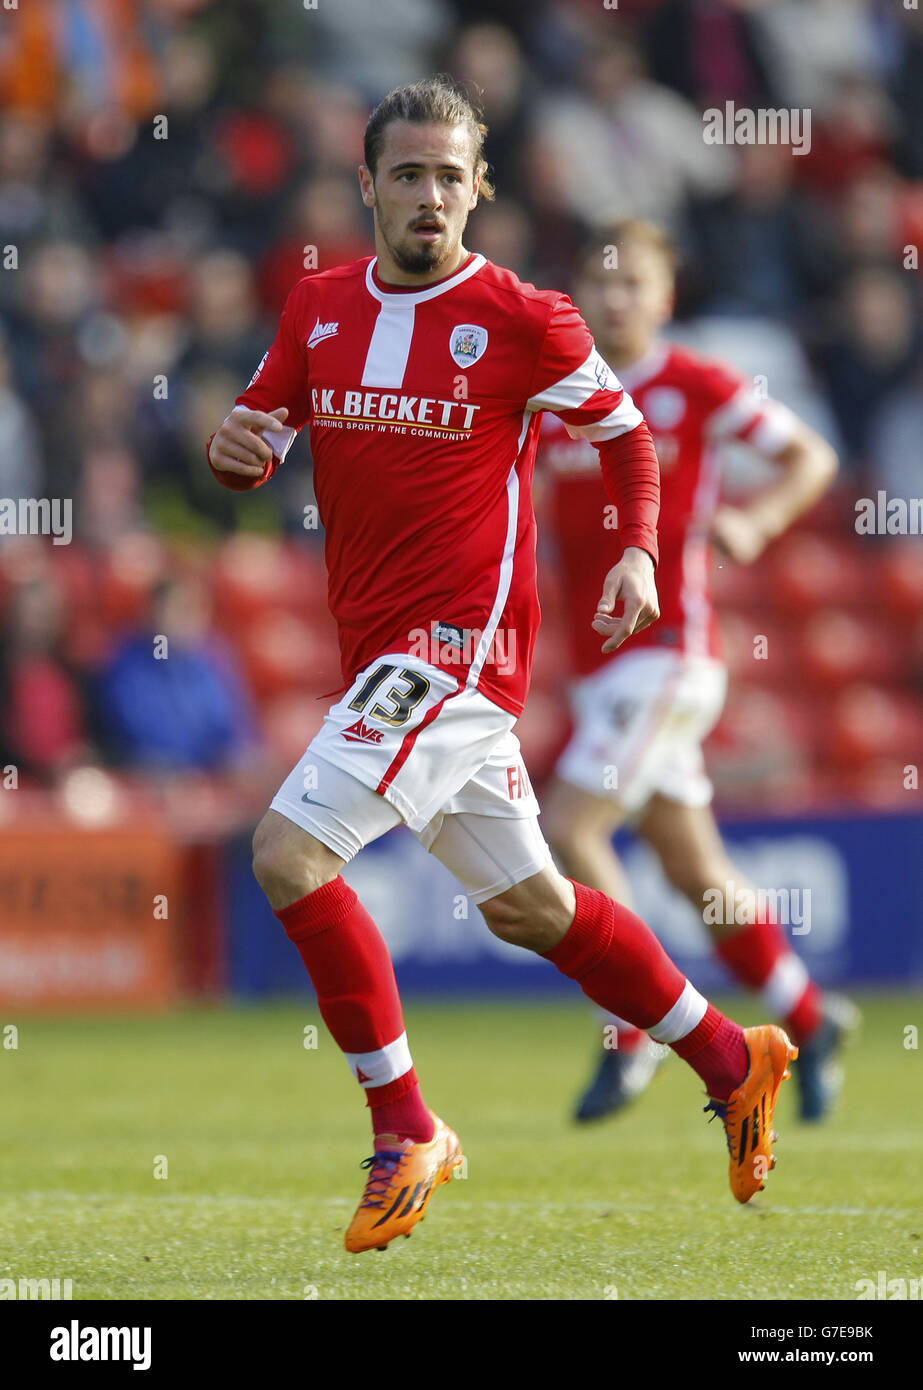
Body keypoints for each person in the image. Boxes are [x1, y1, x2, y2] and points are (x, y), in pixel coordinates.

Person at [206, 79, 797, 1255]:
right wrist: (234, 450)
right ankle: (734, 1056)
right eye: (409, 174)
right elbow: (258, 437)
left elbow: (626, 438)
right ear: (366, 186)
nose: (432, 196)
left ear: (481, 189)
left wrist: (635, 547)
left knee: (286, 852)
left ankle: (404, 1126)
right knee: (532, 907)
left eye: (451, 176)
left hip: (454, 655)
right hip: (380, 656)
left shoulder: (527, 318)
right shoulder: (316, 306)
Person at [537, 219, 854, 1125]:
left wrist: (755, 523)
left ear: (663, 297)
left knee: (570, 828)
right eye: (600, 282)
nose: (615, 298)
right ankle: (809, 1015)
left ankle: (630, 1035)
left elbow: (810, 456)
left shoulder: (695, 385)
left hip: (671, 657)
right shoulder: (556, 392)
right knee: (695, 872)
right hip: (601, 673)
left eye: (633, 282)